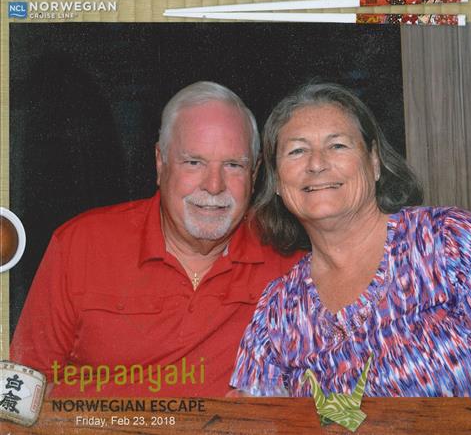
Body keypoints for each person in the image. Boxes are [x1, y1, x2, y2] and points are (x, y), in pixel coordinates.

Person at [10, 81, 303, 397]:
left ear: (255, 173)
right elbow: (23, 386)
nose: (214, 185)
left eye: (233, 165)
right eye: (194, 162)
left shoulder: (291, 268)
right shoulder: (81, 244)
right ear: (160, 163)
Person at [230, 82, 471, 397]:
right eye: (297, 151)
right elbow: (253, 421)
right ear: (277, 182)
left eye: (338, 145)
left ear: (375, 162)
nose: (316, 163)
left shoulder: (459, 236)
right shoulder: (277, 309)